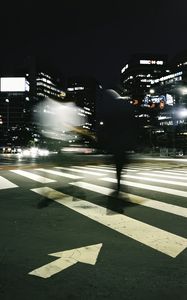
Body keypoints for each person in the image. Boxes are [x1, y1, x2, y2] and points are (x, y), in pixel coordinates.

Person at [97, 89, 138, 192]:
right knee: (121, 161)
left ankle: (119, 179)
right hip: (124, 139)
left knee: (117, 162)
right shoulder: (125, 105)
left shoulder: (111, 108)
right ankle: (119, 178)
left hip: (116, 140)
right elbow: (132, 122)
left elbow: (107, 124)